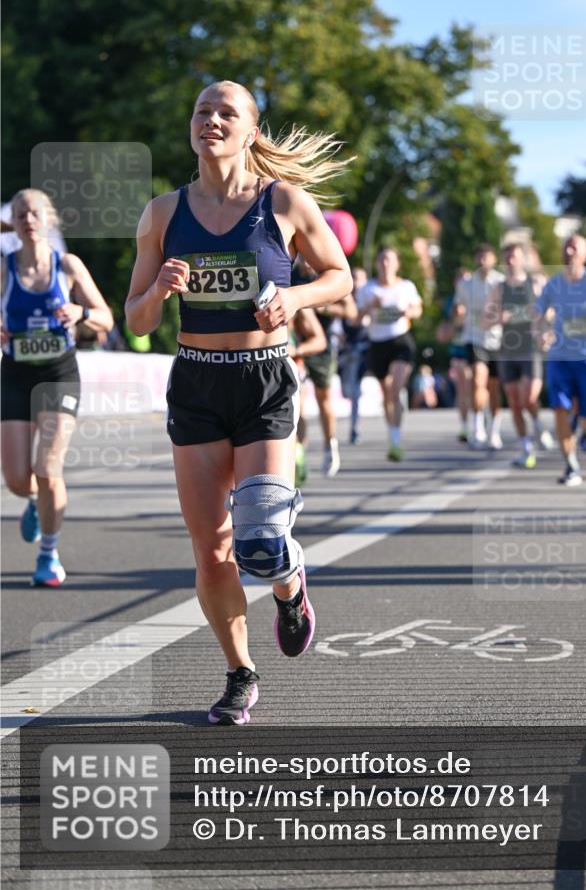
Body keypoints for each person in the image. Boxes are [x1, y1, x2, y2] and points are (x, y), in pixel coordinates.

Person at [125, 79, 352, 725]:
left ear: (251, 130)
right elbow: (137, 321)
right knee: (212, 550)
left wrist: (295, 299)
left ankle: (288, 584)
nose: (212, 120)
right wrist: (161, 291)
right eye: (202, 111)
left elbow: (340, 275)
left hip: (264, 378)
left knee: (259, 539)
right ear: (191, 126)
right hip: (197, 379)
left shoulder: (283, 202)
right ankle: (238, 674)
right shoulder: (163, 214)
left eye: (227, 112)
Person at [1, 188, 113, 585]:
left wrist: (81, 311)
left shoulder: (67, 265)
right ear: (12, 224)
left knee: (48, 468)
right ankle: (33, 500)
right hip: (15, 374)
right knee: (17, 478)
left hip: (57, 374)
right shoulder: (4, 267)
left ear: (47, 219)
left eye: (33, 213)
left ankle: (48, 554)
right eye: (19, 215)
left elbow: (105, 318)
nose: (27, 220)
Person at [535, 235, 586, 486]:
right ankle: (571, 465)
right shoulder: (554, 284)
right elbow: (538, 314)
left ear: (585, 254)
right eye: (567, 246)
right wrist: (540, 333)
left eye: (575, 247)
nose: (570, 251)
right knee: (560, 409)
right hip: (560, 356)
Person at [356, 246, 422, 461]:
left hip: (400, 342)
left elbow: (418, 309)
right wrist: (370, 307)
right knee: (387, 396)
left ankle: (396, 439)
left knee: (394, 389)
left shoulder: (406, 286)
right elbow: (356, 319)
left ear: (396, 264)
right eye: (382, 259)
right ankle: (393, 438)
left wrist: (408, 311)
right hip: (377, 344)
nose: (385, 263)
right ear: (377, 263)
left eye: (389, 259)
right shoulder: (368, 289)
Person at [491, 243, 553, 469]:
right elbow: (485, 320)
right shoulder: (498, 288)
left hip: (531, 348)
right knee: (515, 403)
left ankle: (537, 424)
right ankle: (525, 447)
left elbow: (550, 311)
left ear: (522, 259)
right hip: (508, 349)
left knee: (528, 398)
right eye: (506, 256)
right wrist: (499, 317)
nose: (510, 260)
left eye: (514, 256)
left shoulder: (535, 283)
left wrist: (546, 331)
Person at [291, 255, 355, 476]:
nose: (306, 261)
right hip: (294, 343)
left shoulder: (327, 269)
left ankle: (330, 445)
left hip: (322, 343)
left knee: (323, 397)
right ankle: (299, 454)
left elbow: (351, 311)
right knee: (297, 401)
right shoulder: (288, 271)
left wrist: (322, 308)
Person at [454, 245, 504, 450]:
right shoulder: (466, 284)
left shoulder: (501, 282)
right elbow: (458, 309)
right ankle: (477, 428)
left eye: (487, 257)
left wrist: (496, 317)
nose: (483, 261)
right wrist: (458, 313)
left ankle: (494, 430)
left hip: (498, 341)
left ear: (493, 260)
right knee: (477, 380)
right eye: (480, 257)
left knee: (494, 388)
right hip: (474, 339)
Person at [289, 307, 328, 486]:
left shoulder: (295, 290)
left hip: (292, 365)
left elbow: (320, 340)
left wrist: (296, 349)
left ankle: (299, 452)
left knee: (297, 413)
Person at [436, 266, 471, 442]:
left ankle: (482, 420)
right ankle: (465, 426)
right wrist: (454, 321)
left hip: (477, 348)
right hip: (458, 348)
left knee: (478, 385)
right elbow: (444, 330)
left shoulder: (478, 299)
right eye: (460, 280)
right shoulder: (450, 302)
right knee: (462, 387)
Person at [338, 266, 369, 444]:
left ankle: (354, 429)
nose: (357, 283)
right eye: (354, 278)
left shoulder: (370, 299)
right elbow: (335, 322)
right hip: (346, 351)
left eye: (360, 279)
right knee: (347, 391)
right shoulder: (343, 298)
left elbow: (367, 322)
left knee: (356, 392)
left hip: (365, 350)